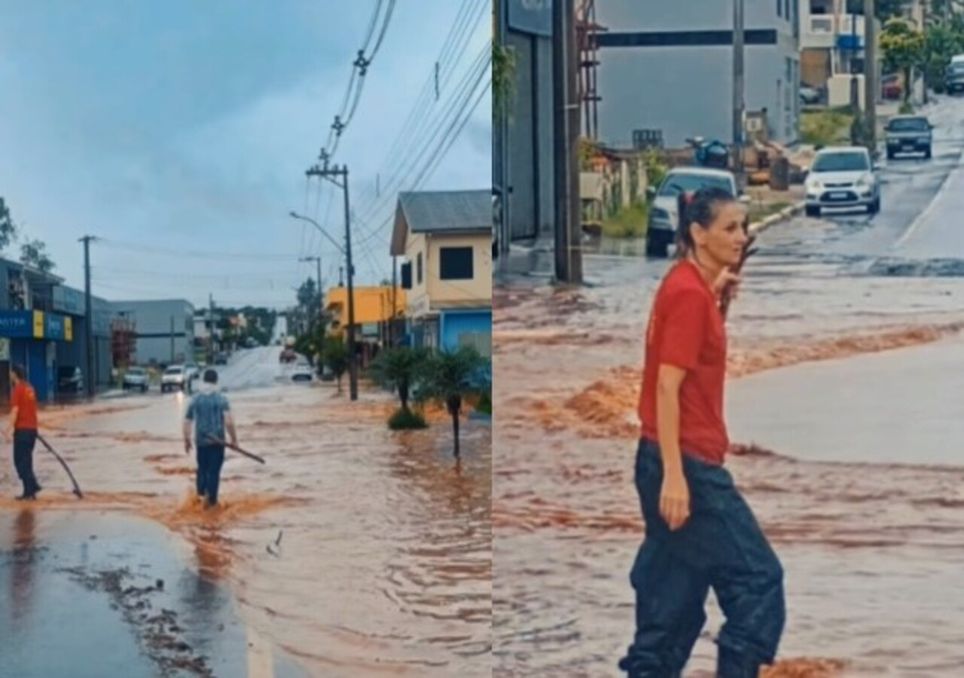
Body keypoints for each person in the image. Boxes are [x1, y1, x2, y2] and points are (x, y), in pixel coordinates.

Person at [618, 188, 785, 677]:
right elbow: (667, 389)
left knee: (672, 607)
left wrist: (721, 300)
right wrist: (675, 477)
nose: (742, 236)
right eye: (731, 227)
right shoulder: (690, 295)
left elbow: (691, 366)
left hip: (663, 458)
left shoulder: (688, 287)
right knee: (759, 582)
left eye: (744, 227)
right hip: (687, 466)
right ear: (697, 232)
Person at [183, 369, 237, 508]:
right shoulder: (221, 399)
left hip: (201, 442)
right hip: (217, 442)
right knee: (214, 471)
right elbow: (229, 422)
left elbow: (187, 421)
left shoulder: (195, 399)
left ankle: (200, 496)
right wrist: (234, 439)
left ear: (204, 381)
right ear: (216, 381)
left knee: (202, 468)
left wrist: (187, 439)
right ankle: (211, 502)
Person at [4, 365, 41, 500]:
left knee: (19, 461)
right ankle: (29, 491)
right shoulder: (30, 388)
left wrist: (7, 430)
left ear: (14, 374)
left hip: (23, 431)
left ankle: (32, 486)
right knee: (27, 460)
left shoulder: (18, 390)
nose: (9, 375)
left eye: (10, 373)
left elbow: (15, 411)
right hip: (32, 430)